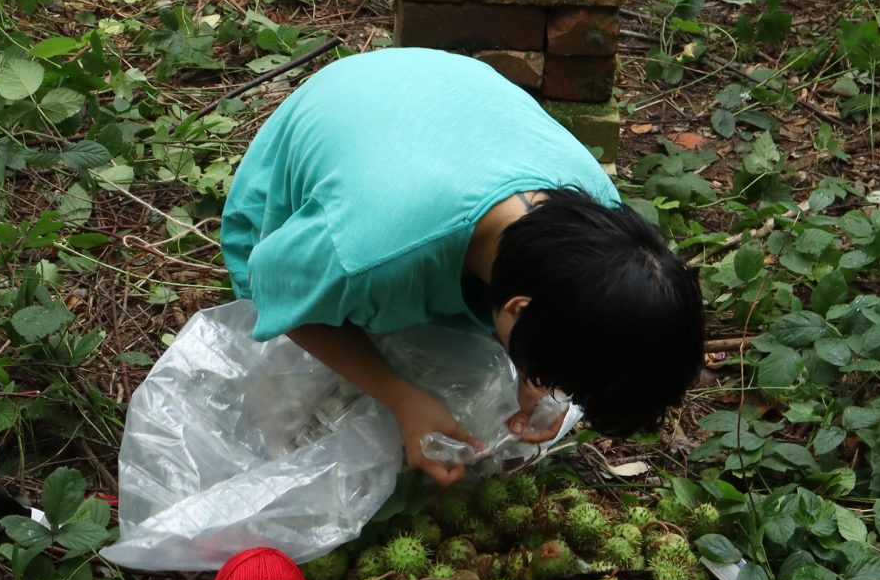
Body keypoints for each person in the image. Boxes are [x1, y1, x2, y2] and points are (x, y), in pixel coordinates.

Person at [219, 47, 703, 485]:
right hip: (336, 108)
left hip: (445, 89)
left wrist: (534, 367)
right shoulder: (365, 256)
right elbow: (275, 290)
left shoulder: (601, 219)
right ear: (518, 306)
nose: (554, 388)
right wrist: (402, 398)